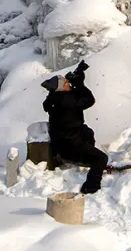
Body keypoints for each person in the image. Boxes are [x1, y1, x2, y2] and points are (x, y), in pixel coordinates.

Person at [42, 61, 108, 194]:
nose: (69, 84)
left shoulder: (54, 98)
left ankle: (80, 157)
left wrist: (77, 83)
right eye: (66, 83)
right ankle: (90, 186)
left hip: (62, 142)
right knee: (102, 158)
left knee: (87, 131)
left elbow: (75, 97)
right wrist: (80, 84)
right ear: (60, 88)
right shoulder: (66, 101)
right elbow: (89, 100)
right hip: (71, 143)